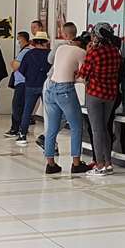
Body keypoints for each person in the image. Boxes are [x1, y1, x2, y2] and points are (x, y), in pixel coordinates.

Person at [42, 21, 89, 175]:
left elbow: (54, 64)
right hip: (65, 90)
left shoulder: (61, 48)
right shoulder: (81, 53)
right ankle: (76, 163)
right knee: (76, 126)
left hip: (50, 88)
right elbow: (83, 75)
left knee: (52, 129)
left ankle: (50, 164)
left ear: (66, 34)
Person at [78, 24, 122, 175]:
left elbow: (83, 73)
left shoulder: (94, 53)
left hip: (95, 94)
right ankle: (108, 163)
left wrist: (89, 51)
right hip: (110, 94)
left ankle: (99, 165)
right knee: (104, 129)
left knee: (97, 130)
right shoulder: (115, 51)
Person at [13, 32, 51, 147]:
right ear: (45, 42)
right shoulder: (50, 54)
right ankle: (48, 135)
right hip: (45, 85)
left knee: (27, 110)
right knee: (48, 112)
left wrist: (30, 77)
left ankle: (22, 134)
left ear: (34, 42)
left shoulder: (29, 54)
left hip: (30, 85)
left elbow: (21, 69)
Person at [6, 31, 31, 137]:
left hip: (22, 82)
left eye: (18, 39)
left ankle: (15, 128)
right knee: (23, 106)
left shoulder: (26, 51)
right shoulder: (30, 50)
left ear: (22, 39)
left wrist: (13, 62)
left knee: (17, 106)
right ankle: (22, 127)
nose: (17, 41)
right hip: (26, 82)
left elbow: (15, 65)